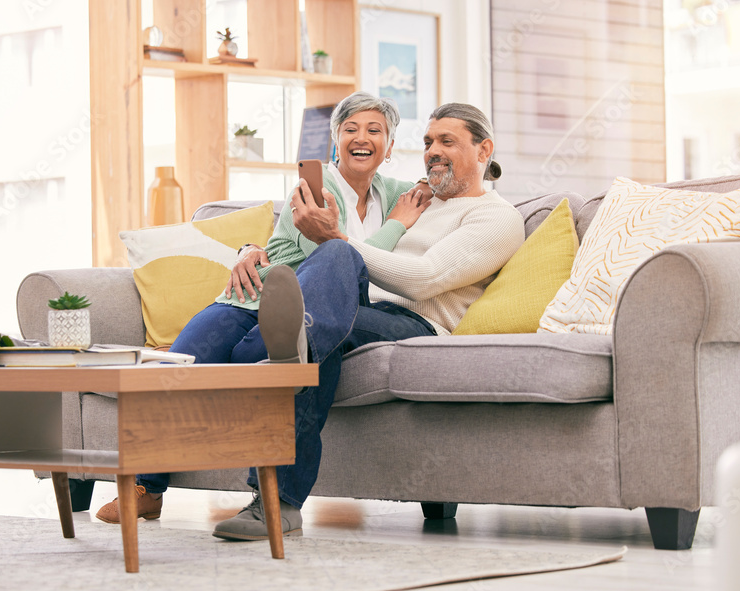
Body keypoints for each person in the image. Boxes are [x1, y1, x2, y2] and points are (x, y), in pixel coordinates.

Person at [100, 102, 526, 540]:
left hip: (412, 322)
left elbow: (424, 279)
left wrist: (336, 240)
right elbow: (287, 228)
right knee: (305, 327)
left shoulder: (497, 217)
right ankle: (274, 486)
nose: (433, 151)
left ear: (483, 150)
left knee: (336, 260)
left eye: (447, 141)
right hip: (353, 306)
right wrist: (249, 247)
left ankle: (274, 355)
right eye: (429, 142)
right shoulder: (417, 195)